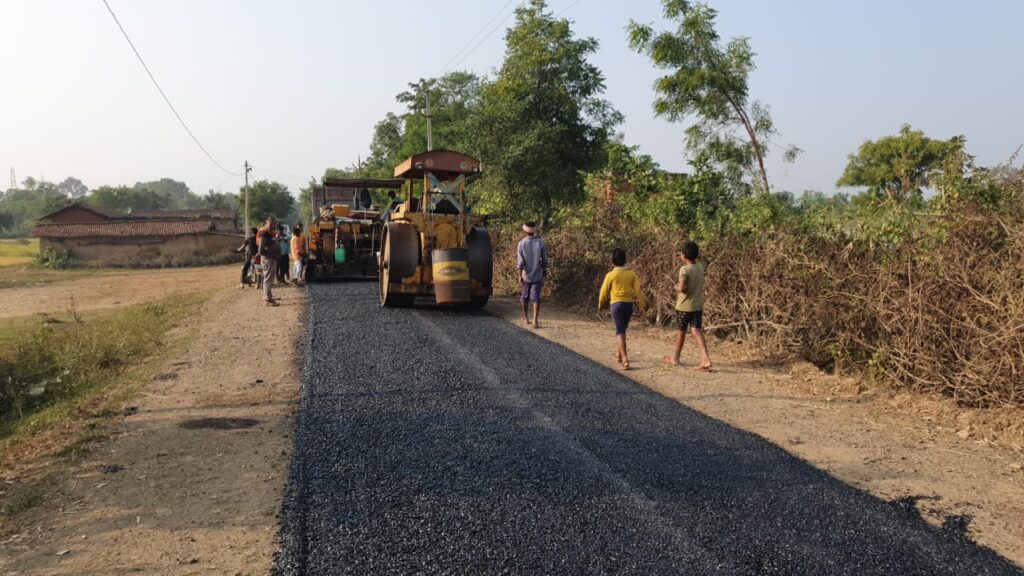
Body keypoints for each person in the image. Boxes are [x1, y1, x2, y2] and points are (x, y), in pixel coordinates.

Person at [663, 241, 712, 371]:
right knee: (696, 331)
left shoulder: (684, 269)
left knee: (681, 332)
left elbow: (683, 288)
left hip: (684, 306)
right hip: (697, 305)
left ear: (683, 255)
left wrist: (676, 287)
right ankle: (705, 358)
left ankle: (676, 359)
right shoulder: (700, 267)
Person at [598, 248, 645, 370]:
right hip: (628, 305)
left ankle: (625, 359)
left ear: (612, 261)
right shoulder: (631, 274)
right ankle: (618, 354)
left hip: (616, 305)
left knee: (620, 331)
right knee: (622, 329)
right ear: (625, 261)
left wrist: (600, 304)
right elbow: (638, 291)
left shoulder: (610, 275)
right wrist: (641, 306)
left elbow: (603, 292)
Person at [516, 221, 547, 328]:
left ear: (524, 231)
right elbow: (545, 260)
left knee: (524, 297)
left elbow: (520, 262)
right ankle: (535, 321)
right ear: (534, 231)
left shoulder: (521, 243)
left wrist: (520, 275)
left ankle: (525, 318)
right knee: (536, 298)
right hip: (537, 275)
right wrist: (544, 270)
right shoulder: (540, 242)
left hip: (525, 276)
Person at [256, 217, 281, 306]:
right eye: (271, 224)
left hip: (271, 258)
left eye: (274, 224)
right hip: (268, 259)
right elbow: (261, 246)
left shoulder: (269, 233)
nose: (273, 226)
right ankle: (266, 300)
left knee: (269, 279)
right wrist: (265, 253)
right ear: (266, 224)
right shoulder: (264, 233)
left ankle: (269, 296)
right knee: (268, 279)